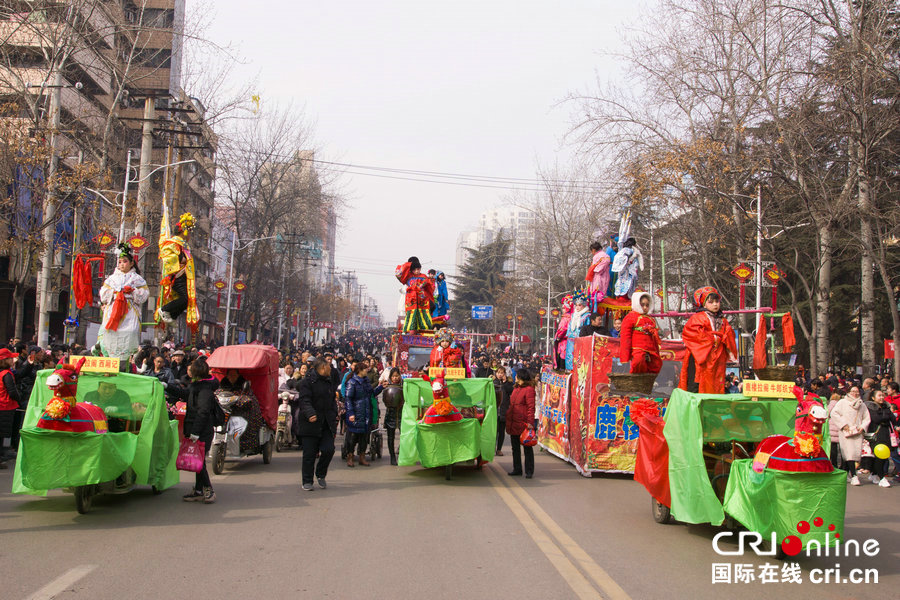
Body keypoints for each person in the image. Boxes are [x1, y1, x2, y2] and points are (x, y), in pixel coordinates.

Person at [167, 357, 219, 503]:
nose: (188, 371)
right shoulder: (197, 385)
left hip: (202, 430)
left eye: (191, 369)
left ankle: (208, 490)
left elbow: (203, 412)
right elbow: (184, 394)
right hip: (196, 428)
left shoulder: (205, 389)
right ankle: (198, 490)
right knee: (197, 460)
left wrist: (195, 432)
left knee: (199, 462)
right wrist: (167, 386)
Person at [98, 244, 150, 368]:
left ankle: (126, 361)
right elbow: (103, 294)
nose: (122, 264)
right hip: (114, 308)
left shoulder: (138, 279)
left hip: (129, 310)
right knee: (107, 330)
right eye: (120, 262)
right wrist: (116, 292)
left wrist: (132, 291)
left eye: (125, 261)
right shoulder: (111, 279)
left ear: (132, 263)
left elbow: (144, 294)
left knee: (131, 331)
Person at [678, 287, 737, 394]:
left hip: (717, 357)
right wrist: (714, 338)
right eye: (711, 302)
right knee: (697, 384)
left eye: (717, 301)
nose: (715, 304)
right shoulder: (698, 317)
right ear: (704, 304)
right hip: (700, 356)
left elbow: (729, 335)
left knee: (716, 384)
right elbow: (692, 334)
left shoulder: (723, 320)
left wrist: (724, 336)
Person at [296, 356, 339, 490]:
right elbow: (304, 400)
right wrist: (310, 413)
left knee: (329, 449)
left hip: (326, 422)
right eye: (329, 366)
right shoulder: (307, 382)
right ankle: (307, 480)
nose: (330, 369)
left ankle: (320, 473)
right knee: (309, 454)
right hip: (310, 423)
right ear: (322, 368)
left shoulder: (329, 381)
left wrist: (334, 414)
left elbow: (332, 401)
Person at [344, 362, 383, 467]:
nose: (367, 370)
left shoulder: (366, 382)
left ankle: (362, 457)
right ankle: (350, 456)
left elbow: (372, 394)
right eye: (365, 369)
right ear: (359, 370)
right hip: (357, 413)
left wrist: (381, 387)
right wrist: (351, 413)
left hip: (366, 413)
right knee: (352, 437)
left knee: (364, 437)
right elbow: (348, 399)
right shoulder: (352, 382)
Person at [830, 386, 871, 486]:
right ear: (848, 392)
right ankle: (854, 476)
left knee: (853, 454)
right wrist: (843, 424)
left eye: (857, 391)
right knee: (849, 453)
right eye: (853, 391)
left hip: (857, 432)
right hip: (846, 432)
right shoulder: (842, 402)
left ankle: (845, 473)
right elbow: (834, 413)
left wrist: (863, 426)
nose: (855, 393)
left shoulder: (862, 404)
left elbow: (866, 417)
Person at [619, 291, 662, 375]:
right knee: (638, 361)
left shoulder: (651, 319)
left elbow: (654, 338)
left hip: (651, 349)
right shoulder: (630, 317)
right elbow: (625, 338)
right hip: (637, 348)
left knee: (657, 364)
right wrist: (625, 357)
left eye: (647, 305)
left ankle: (647, 381)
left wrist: (656, 351)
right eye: (642, 305)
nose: (645, 307)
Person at [861, 390, 897, 487]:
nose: (881, 397)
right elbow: (876, 419)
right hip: (874, 434)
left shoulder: (886, 407)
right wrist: (886, 415)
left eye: (882, 395)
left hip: (886, 434)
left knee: (884, 456)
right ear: (873, 398)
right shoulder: (870, 407)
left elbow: (893, 419)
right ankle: (881, 477)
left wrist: (887, 415)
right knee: (878, 455)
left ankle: (874, 474)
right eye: (879, 395)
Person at [506, 368, 536, 479]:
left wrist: (530, 422)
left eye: (516, 376)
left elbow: (530, 407)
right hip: (514, 421)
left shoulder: (529, 390)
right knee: (515, 448)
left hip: (523, 423)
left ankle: (529, 471)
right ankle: (517, 469)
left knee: (527, 447)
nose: (515, 377)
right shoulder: (516, 388)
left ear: (520, 377)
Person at [395, 256, 435, 333]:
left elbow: (429, 287)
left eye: (418, 269)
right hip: (411, 300)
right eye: (414, 269)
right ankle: (410, 330)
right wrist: (408, 264)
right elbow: (398, 274)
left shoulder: (423, 276)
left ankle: (425, 330)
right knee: (411, 316)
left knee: (423, 316)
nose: (416, 271)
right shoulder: (407, 277)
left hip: (422, 300)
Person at [0, 348, 22, 467]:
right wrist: (19, 398)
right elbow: (12, 391)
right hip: (5, 406)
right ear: (5, 360)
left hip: (3, 406)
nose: (13, 360)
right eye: (10, 358)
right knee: (3, 433)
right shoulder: (7, 374)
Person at [381, 367, 404, 465]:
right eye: (393, 376)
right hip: (390, 414)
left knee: (404, 436)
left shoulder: (404, 386)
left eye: (397, 376)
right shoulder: (387, 387)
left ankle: (402, 455)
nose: (395, 378)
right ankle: (392, 457)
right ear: (390, 377)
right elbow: (384, 399)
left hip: (402, 413)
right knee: (391, 437)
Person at [585, 241, 612, 309]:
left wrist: (597, 270)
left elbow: (595, 267)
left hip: (598, 275)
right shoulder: (606, 255)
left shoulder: (597, 256)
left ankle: (596, 306)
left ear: (593, 250)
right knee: (603, 290)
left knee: (596, 291)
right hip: (605, 275)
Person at [494, 366, 512, 456]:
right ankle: (492, 448)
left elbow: (511, 391)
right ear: (496, 373)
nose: (500, 374)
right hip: (494, 410)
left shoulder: (508, 384)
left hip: (504, 410)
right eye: (498, 372)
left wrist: (505, 382)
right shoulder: (493, 382)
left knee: (501, 431)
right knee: (494, 431)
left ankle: (499, 449)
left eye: (502, 373)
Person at [825, 392, 844, 470]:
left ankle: (833, 464)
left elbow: (827, 413)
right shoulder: (842, 404)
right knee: (841, 448)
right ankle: (840, 465)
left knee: (833, 448)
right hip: (839, 426)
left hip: (832, 427)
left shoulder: (831, 404)